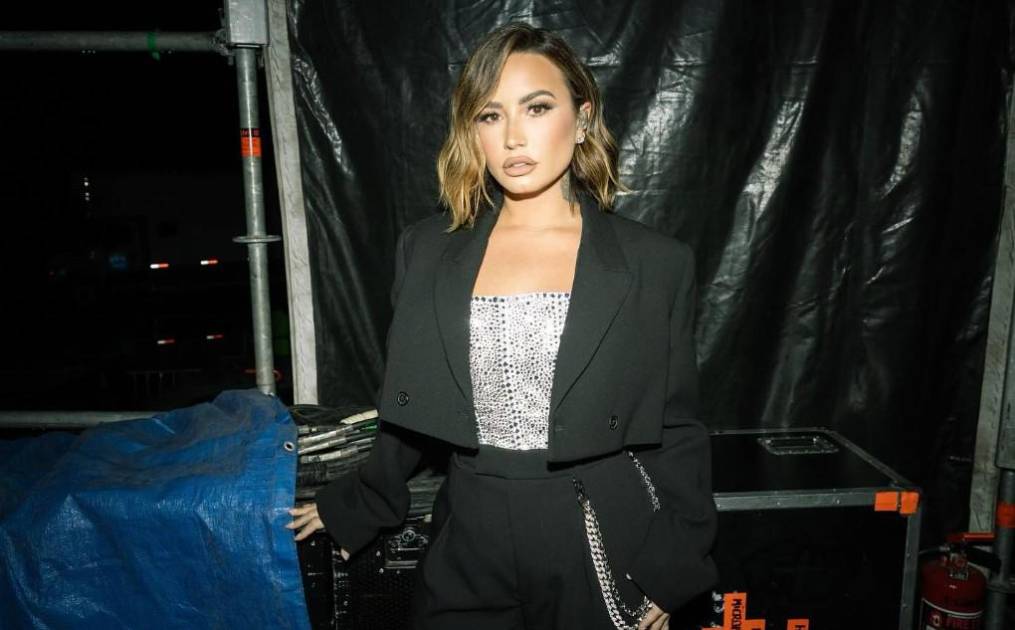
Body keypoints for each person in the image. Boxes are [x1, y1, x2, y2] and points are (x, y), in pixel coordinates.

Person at [287, 21, 718, 630]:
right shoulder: (427, 251)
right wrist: (360, 500)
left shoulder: (654, 262)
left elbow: (676, 430)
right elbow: (412, 406)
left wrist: (675, 565)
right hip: (470, 528)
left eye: (537, 107)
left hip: (598, 532)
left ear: (583, 118)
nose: (514, 136)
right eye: (490, 115)